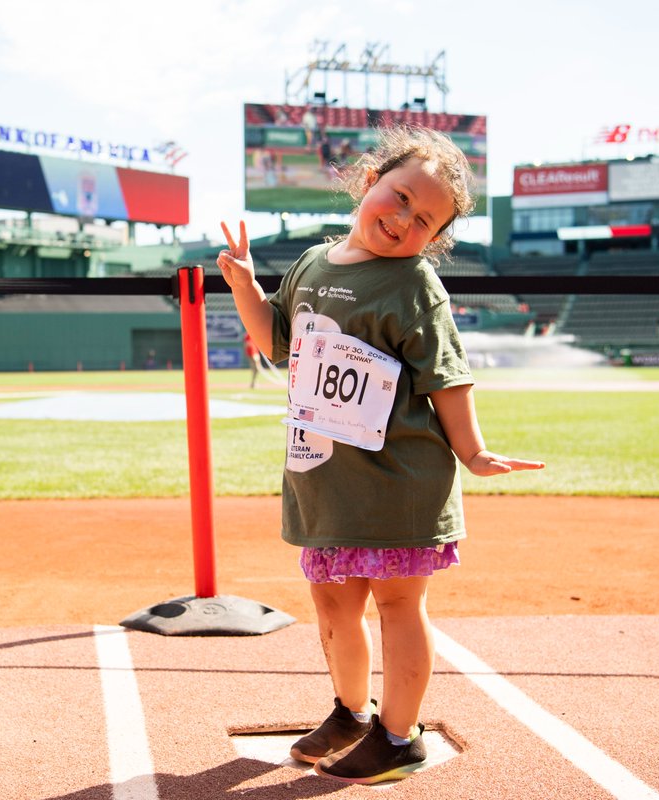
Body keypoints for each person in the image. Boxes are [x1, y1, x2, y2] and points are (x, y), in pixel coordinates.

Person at [216, 126, 544, 786]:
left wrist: (473, 452)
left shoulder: (415, 286)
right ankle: (349, 713)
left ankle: (398, 737)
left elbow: (447, 375)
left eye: (423, 220)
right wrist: (245, 285)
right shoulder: (312, 263)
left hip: (399, 479)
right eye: (398, 198)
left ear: (435, 238)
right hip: (327, 476)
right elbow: (276, 342)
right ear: (369, 183)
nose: (402, 221)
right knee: (334, 606)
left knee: (398, 604)